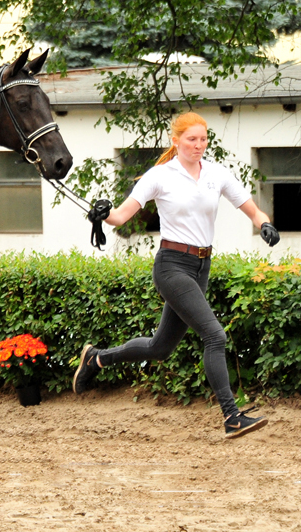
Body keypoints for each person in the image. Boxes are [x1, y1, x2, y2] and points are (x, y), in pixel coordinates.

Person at [73, 111, 280, 439]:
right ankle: (231, 416)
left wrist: (264, 224)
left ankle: (96, 358)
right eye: (191, 139)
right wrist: (102, 213)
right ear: (176, 141)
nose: (199, 145)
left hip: (201, 267)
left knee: (160, 348)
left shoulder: (216, 173)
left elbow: (252, 209)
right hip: (172, 266)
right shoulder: (159, 176)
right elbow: (121, 216)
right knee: (215, 336)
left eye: (203, 139)